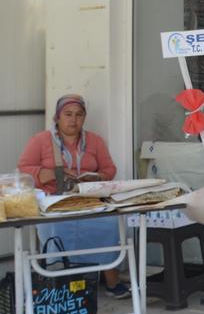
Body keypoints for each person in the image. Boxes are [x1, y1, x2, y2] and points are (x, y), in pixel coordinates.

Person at [18, 94, 131, 299]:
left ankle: (112, 281)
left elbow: (109, 169)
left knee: (110, 223)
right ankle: (59, 282)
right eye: (68, 114)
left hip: (86, 200)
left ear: (84, 117)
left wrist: (96, 178)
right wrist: (52, 173)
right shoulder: (40, 140)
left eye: (79, 115)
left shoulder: (94, 141)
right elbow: (23, 169)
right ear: (57, 117)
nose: (73, 120)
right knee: (54, 228)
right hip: (53, 202)